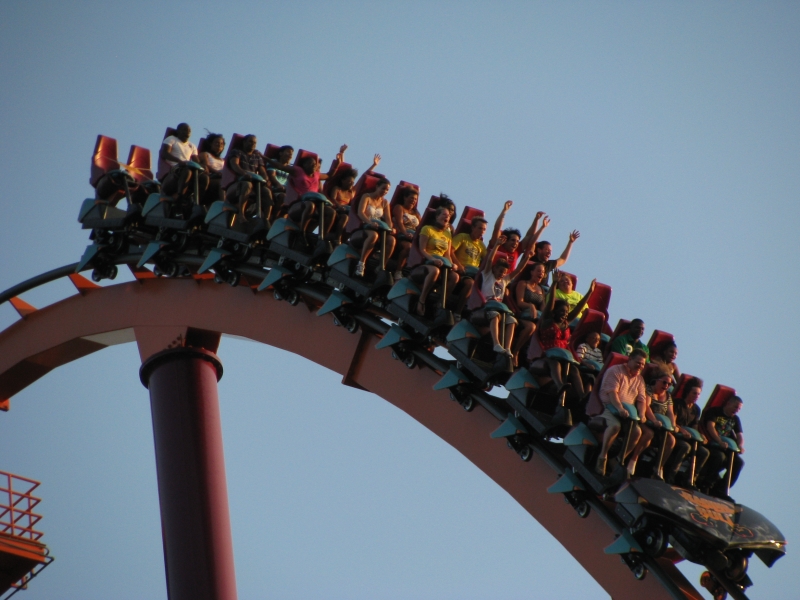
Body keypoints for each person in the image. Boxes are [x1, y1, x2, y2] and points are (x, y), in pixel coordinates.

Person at [529, 270, 596, 390]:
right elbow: (550, 304)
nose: (564, 315)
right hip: (547, 355)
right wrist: (554, 284)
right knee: (555, 363)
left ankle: (582, 396)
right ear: (555, 312)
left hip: (564, 356)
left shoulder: (565, 322)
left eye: (566, 312)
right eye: (561, 312)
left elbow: (579, 307)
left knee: (574, 370)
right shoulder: (547, 321)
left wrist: (590, 291)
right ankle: (560, 386)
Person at [468, 235, 533, 357]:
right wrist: (497, 245)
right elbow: (489, 261)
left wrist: (527, 258)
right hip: (485, 309)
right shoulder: (488, 275)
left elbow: (518, 270)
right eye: (500, 271)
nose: (501, 274)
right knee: (495, 315)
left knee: (512, 320)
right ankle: (496, 344)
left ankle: (507, 347)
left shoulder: (504, 281)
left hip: (499, 309)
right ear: (494, 269)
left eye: (504, 273)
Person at [594, 349, 648, 477]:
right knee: (615, 426)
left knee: (637, 432)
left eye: (642, 364)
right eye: (638, 363)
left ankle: (618, 459)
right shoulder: (615, 371)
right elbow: (612, 393)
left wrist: (642, 414)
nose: (640, 366)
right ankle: (602, 457)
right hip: (609, 407)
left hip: (628, 413)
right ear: (630, 359)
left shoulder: (640, 379)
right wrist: (619, 408)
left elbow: (642, 400)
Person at [265, 149, 337, 242]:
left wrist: (337, 162)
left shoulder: (317, 175)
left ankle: (322, 238)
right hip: (298, 204)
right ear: (304, 165)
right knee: (310, 205)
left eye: (315, 164)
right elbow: (280, 166)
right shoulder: (298, 171)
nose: (314, 165)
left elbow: (329, 175)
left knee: (331, 212)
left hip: (315, 205)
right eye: (311, 163)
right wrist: (264, 158)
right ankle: (302, 232)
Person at [625, 369, 676, 479]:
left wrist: (673, 425)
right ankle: (633, 460)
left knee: (671, 440)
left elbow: (670, 412)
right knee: (648, 434)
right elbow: (646, 406)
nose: (666, 386)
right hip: (646, 420)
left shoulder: (668, 396)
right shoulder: (648, 390)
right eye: (664, 382)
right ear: (657, 381)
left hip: (661, 426)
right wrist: (654, 420)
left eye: (669, 384)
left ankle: (658, 467)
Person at [327, 146, 381, 244]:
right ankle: (337, 238)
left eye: (352, 182)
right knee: (345, 217)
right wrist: (342, 153)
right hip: (337, 210)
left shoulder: (352, 191)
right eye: (348, 181)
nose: (351, 184)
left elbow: (363, 177)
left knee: (353, 218)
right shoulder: (337, 189)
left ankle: (347, 239)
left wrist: (373, 165)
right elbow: (333, 199)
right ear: (343, 181)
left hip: (347, 212)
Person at [411, 207, 459, 316]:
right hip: (427, 262)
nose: (447, 217)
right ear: (437, 217)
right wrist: (433, 259)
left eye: (448, 216)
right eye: (444, 214)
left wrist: (452, 264)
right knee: (435, 271)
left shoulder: (447, 234)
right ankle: (421, 300)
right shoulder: (427, 229)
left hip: (442, 264)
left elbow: (447, 254)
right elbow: (422, 250)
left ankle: (440, 302)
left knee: (455, 277)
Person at [665, 377, 710, 486]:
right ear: (688, 392)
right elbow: (673, 422)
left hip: (689, 437)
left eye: (698, 394)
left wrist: (701, 435)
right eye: (694, 393)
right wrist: (682, 430)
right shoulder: (677, 403)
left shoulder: (696, 410)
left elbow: (694, 426)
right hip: (676, 435)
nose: (696, 396)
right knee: (685, 447)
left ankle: (690, 479)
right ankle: (670, 475)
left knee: (704, 452)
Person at [698, 395, 745, 498]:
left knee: (739, 463)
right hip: (712, 444)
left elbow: (740, 435)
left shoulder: (735, 419)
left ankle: (721, 488)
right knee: (719, 457)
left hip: (727, 447)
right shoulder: (714, 411)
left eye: (739, 409)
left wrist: (740, 446)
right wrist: (719, 441)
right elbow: (710, 427)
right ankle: (706, 484)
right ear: (728, 403)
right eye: (735, 407)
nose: (736, 410)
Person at [350, 178, 396, 277]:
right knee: (373, 235)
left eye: (387, 190)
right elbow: (361, 213)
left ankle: (381, 266)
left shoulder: (385, 203)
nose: (385, 191)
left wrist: (391, 228)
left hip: (379, 228)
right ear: (377, 186)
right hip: (365, 226)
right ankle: (361, 263)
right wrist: (369, 222)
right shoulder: (366, 197)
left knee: (391, 240)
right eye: (383, 188)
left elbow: (388, 219)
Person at [487, 203, 549, 269]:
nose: (515, 243)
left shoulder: (517, 251)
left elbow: (529, 236)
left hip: (507, 275)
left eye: (517, 241)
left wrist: (536, 220)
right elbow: (497, 229)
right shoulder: (497, 246)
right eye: (512, 240)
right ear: (505, 241)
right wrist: (504, 211)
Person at [227, 134, 273, 222]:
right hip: (237, 183)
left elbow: (262, 170)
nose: (253, 144)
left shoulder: (257, 156)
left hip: (254, 183)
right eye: (250, 142)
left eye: (254, 143)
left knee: (267, 191)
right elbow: (234, 164)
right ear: (244, 142)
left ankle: (266, 220)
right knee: (247, 184)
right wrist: (243, 173)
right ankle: (241, 214)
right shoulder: (237, 152)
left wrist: (266, 179)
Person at [451, 215, 489, 317]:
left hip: (474, 273)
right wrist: (459, 265)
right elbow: (450, 251)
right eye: (480, 228)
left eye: (484, 229)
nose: (482, 231)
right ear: (473, 227)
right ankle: (457, 312)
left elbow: (487, 261)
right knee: (470, 284)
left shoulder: (481, 245)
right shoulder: (462, 237)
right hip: (461, 271)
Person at [159, 123, 209, 201]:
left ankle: (199, 200)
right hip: (175, 168)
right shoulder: (171, 139)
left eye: (189, 131)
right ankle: (180, 195)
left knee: (204, 178)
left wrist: (202, 166)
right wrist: (179, 161)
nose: (187, 132)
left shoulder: (192, 146)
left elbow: (196, 160)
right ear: (178, 131)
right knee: (187, 171)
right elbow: (165, 153)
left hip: (187, 166)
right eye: (185, 130)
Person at [511, 261, 547, 360]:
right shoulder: (523, 283)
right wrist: (531, 306)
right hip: (522, 315)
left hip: (536, 318)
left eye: (543, 272)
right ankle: (515, 352)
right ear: (532, 272)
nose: (541, 273)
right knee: (531, 327)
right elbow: (520, 302)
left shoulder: (541, 289)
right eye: (538, 271)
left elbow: (543, 307)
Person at [391, 186, 422, 279]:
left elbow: (421, 227)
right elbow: (400, 223)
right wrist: (405, 233)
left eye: (415, 199)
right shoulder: (399, 208)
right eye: (411, 198)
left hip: (413, 237)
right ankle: (398, 271)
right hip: (401, 235)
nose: (413, 201)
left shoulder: (416, 213)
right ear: (405, 197)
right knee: (408, 247)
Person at [198, 133, 225, 206]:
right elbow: (206, 165)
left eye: (221, 144)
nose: (219, 145)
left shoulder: (223, 160)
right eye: (217, 143)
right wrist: (217, 172)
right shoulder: (205, 154)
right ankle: (223, 205)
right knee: (221, 183)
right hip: (211, 177)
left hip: (222, 177)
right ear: (211, 144)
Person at [266, 145, 294, 212]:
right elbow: (271, 175)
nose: (290, 155)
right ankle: (274, 216)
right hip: (274, 187)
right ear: (281, 153)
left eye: (291, 154)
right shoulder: (273, 162)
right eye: (288, 152)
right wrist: (278, 185)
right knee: (283, 196)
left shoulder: (291, 168)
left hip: (286, 190)